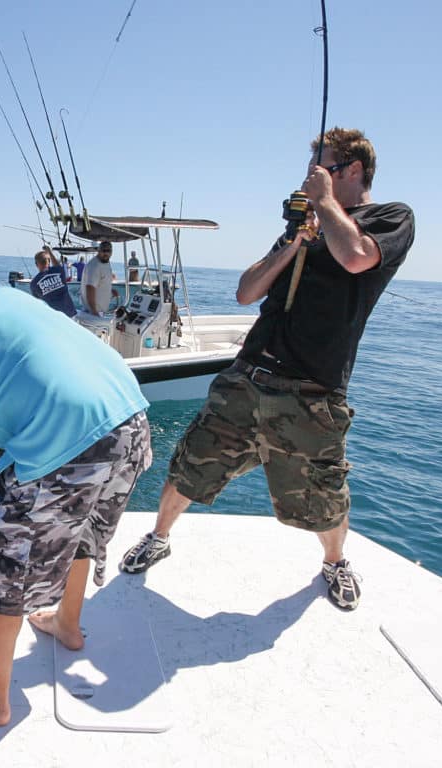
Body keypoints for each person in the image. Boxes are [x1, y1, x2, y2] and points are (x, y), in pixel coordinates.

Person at [120, 127, 415, 612]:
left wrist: (324, 206)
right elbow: (246, 291)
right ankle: (159, 536)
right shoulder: (308, 224)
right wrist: (295, 241)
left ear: (354, 170)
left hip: (311, 390)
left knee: (323, 493)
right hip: (248, 375)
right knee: (189, 464)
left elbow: (357, 258)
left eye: (325, 169)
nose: (312, 178)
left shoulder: (389, 217)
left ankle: (335, 563)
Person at [0, 278, 151, 726]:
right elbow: (47, 383)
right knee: (79, 525)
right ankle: (68, 625)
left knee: (0, 548)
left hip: (74, 444)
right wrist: (4, 455)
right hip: (130, 420)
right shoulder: (8, 299)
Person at [29, 245, 77, 317]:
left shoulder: (34, 283)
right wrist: (50, 252)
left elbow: (38, 304)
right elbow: (57, 265)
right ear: (48, 261)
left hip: (53, 319)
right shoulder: (58, 270)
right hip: (71, 314)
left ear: (36, 264)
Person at [80, 241, 119, 315]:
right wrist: (94, 311)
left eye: (108, 251)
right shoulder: (95, 266)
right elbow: (90, 288)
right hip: (93, 312)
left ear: (111, 252)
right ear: (98, 251)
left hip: (100, 311)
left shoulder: (106, 262)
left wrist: (110, 292)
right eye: (103, 250)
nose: (106, 253)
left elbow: (101, 281)